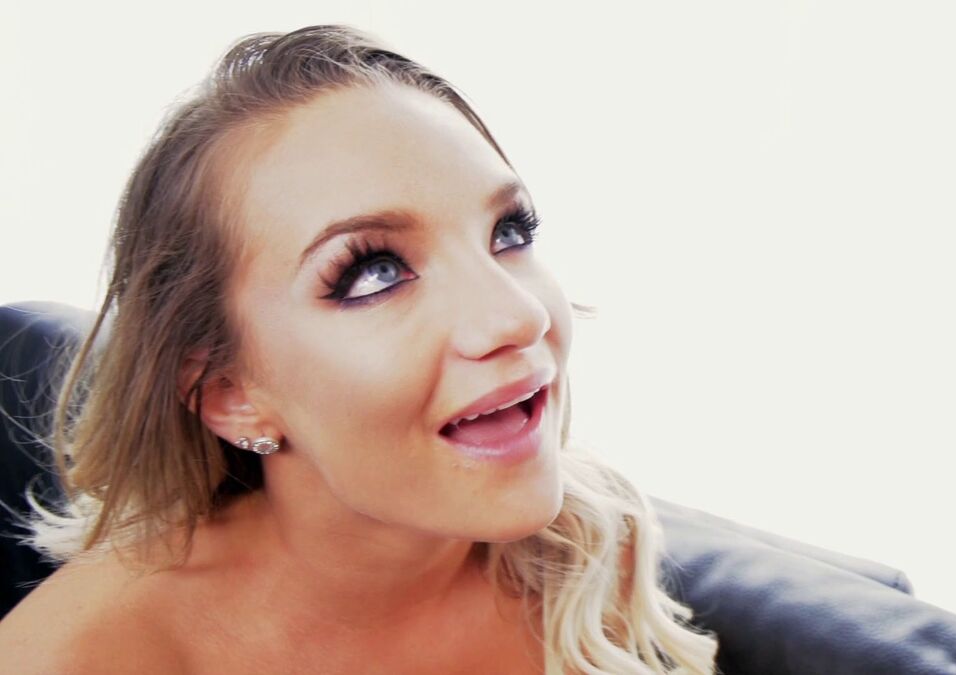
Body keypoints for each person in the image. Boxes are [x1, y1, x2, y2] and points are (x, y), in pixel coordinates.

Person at [0, 25, 718, 674]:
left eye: (508, 232)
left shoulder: (591, 547)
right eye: (375, 273)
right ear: (228, 391)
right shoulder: (74, 657)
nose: (518, 314)